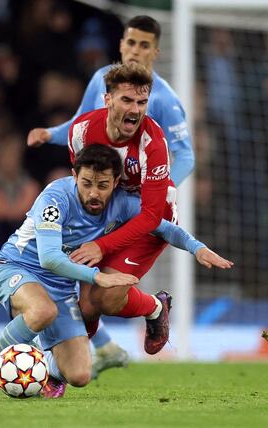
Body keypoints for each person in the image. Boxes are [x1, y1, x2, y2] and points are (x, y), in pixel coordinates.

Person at [0, 145, 232, 400]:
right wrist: (97, 277)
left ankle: (38, 368)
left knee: (79, 375)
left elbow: (165, 228)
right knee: (43, 311)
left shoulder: (123, 204)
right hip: (18, 268)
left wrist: (198, 249)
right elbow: (50, 259)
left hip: (61, 288)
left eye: (102, 186)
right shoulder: (56, 198)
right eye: (86, 183)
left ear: (115, 183)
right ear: (74, 175)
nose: (93, 193)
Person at [27, 15, 195, 374]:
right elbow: (82, 125)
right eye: (131, 42)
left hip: (148, 211)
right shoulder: (102, 81)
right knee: (85, 294)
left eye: (144, 45)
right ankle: (72, 365)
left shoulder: (162, 100)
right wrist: (49, 133)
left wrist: (162, 182)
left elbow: (186, 155)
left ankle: (63, 367)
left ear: (156, 51)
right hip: (111, 205)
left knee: (100, 295)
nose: (135, 50)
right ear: (121, 44)